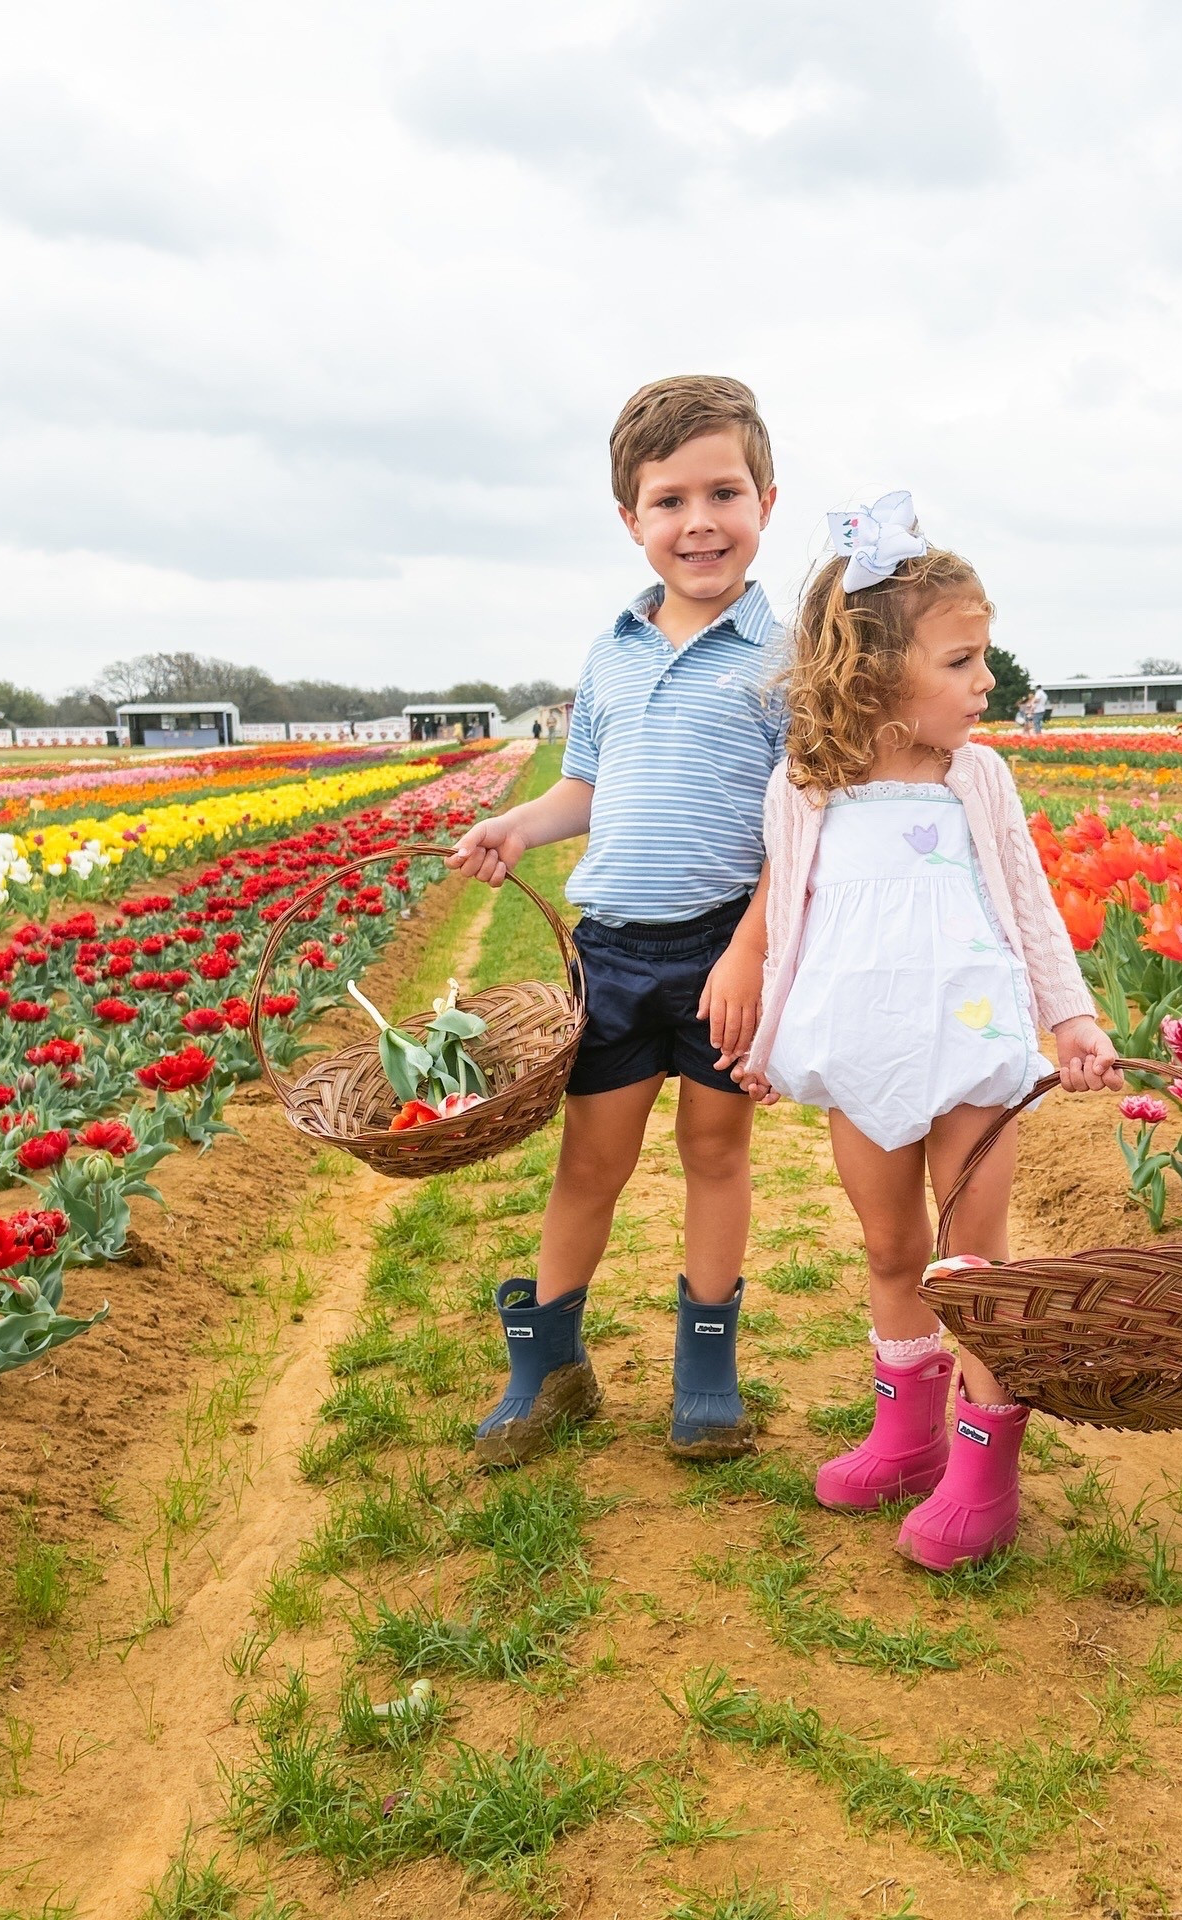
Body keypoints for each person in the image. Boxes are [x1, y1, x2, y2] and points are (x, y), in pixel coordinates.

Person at [734, 492, 1121, 1573]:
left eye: (981, 657)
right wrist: (766, 1043)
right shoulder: (806, 789)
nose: (985, 683)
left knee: (970, 1263)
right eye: (961, 662)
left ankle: (983, 1475)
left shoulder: (977, 779)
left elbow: (1030, 906)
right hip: (861, 1047)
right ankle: (905, 1438)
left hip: (971, 1043)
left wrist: (1070, 1014)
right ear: (874, 675)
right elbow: (791, 925)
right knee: (891, 1246)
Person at [448, 375, 784, 1466]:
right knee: (591, 1161)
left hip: (725, 944)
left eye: (722, 492)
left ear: (766, 502)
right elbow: (586, 788)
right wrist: (521, 825)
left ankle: (706, 1366)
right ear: (631, 520)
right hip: (614, 951)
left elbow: (802, 830)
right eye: (669, 500)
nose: (699, 522)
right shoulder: (609, 654)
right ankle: (549, 1365)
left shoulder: (787, 664)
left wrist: (749, 949)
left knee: (714, 1147)